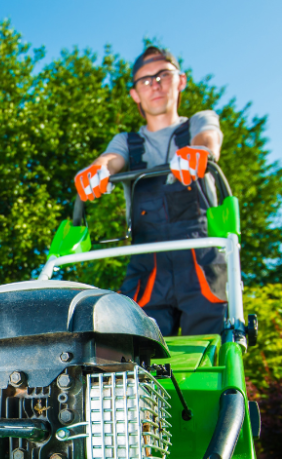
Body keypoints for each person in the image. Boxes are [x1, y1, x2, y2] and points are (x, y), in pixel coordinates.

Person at [74, 46, 227, 337]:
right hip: (146, 264)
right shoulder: (126, 142)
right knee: (140, 349)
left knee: (211, 348)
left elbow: (208, 139)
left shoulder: (198, 123)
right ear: (135, 93)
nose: (155, 85)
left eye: (163, 75)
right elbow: (109, 160)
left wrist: (200, 151)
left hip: (201, 259)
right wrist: (97, 170)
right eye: (145, 80)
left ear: (181, 81)